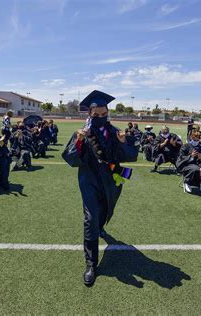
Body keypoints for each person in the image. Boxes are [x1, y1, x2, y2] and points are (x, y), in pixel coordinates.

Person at [62, 90, 138, 287]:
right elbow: (70, 158)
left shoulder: (115, 133)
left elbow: (129, 155)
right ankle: (91, 264)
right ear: (90, 114)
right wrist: (79, 141)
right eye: (97, 116)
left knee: (102, 214)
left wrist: (123, 143)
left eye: (105, 115)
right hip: (89, 181)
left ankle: (100, 226)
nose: (101, 118)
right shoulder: (83, 133)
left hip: (111, 182)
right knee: (90, 219)